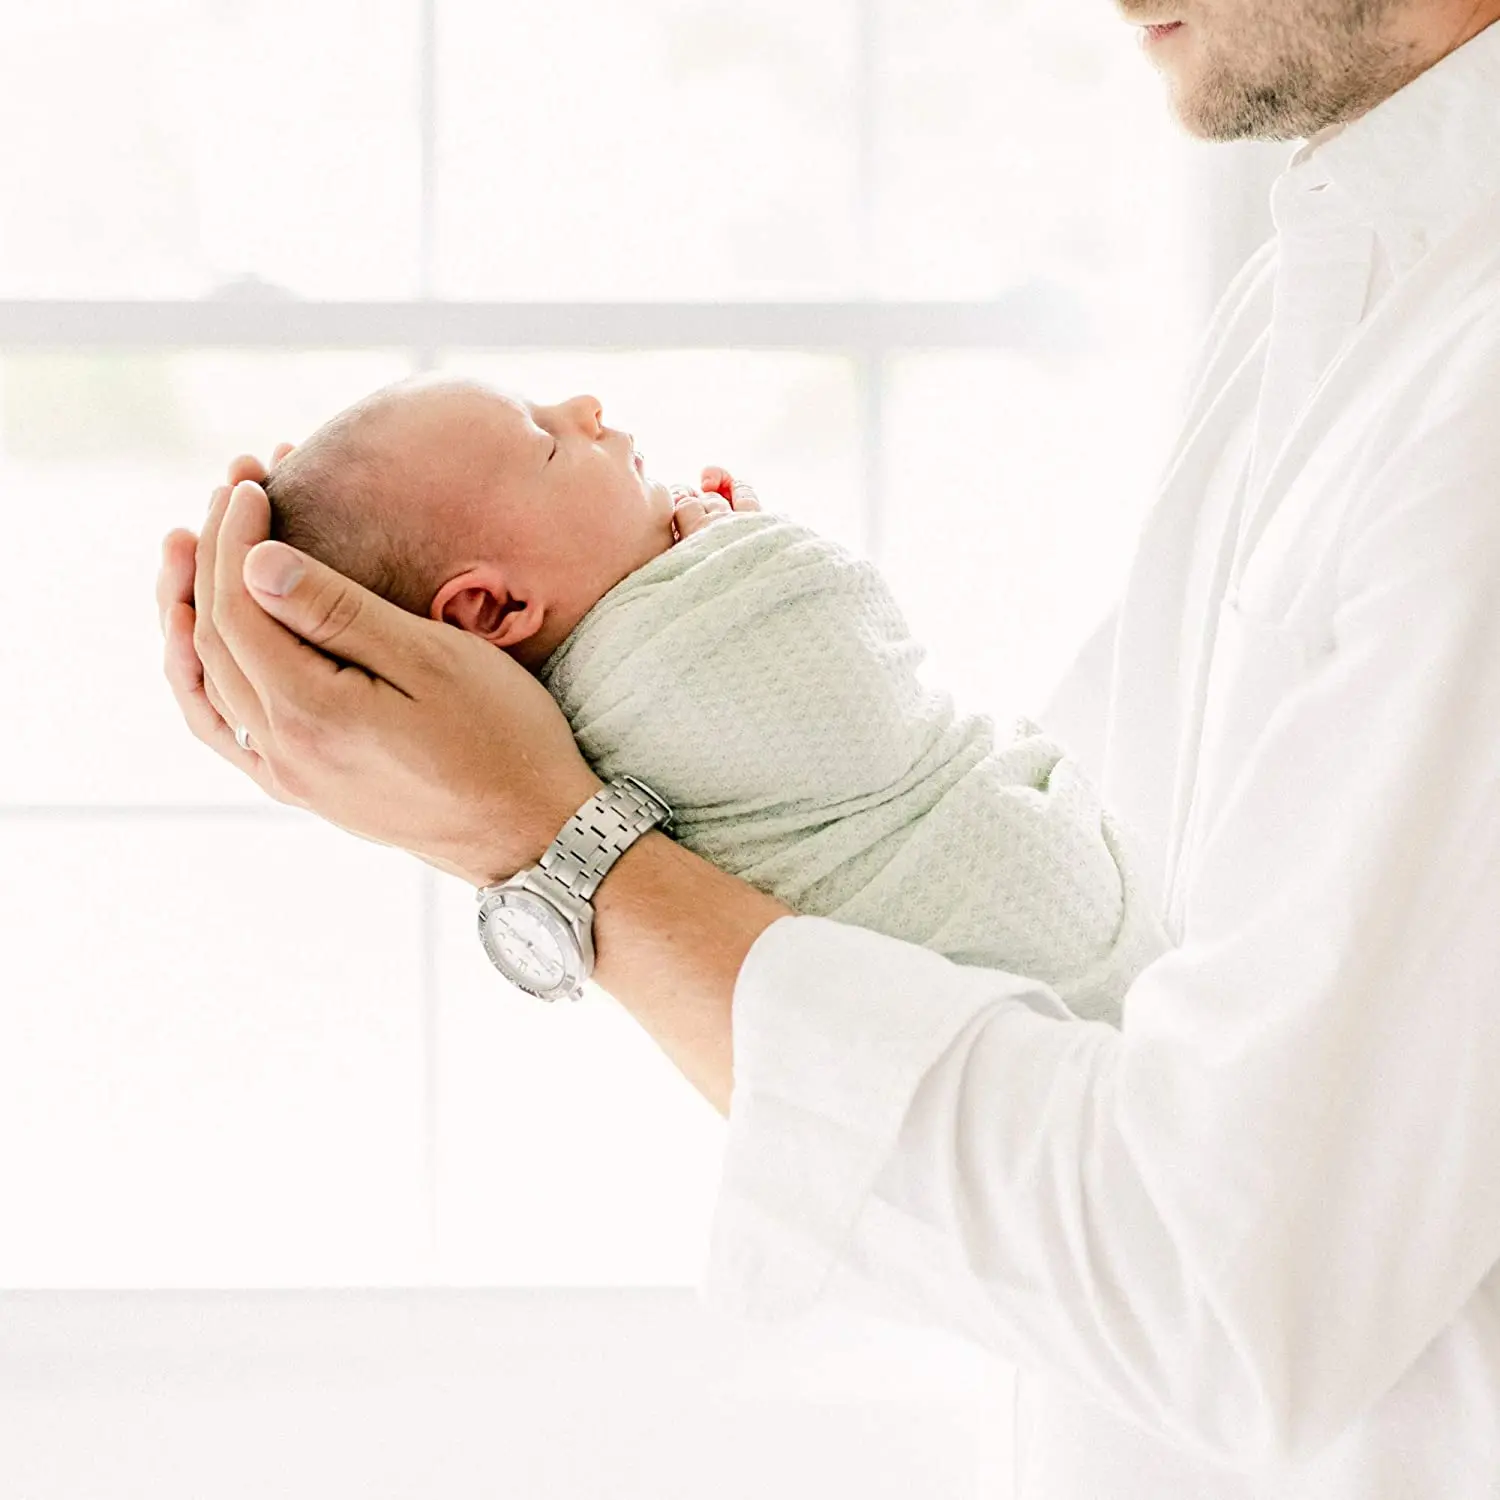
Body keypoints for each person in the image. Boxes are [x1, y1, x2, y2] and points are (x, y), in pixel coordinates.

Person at [155, 0, 1500, 1492]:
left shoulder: (1470, 394)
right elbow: (1060, 877)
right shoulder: (1319, 295)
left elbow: (1234, 1292)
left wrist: (558, 850)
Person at [257, 376, 1169, 1025]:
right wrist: (748, 557)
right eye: (546, 441)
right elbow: (850, 653)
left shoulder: (553, 744)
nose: (586, 408)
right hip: (1033, 979)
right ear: (491, 608)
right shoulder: (647, 680)